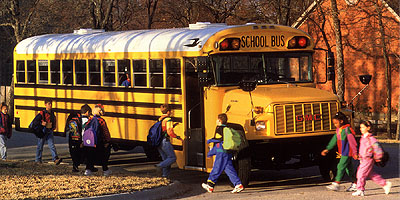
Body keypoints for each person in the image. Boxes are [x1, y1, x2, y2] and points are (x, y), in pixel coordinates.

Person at [201, 113, 244, 193]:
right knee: (229, 169)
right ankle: (238, 185)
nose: (216, 121)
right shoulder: (228, 128)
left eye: (217, 119)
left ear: (220, 120)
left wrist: (210, 141)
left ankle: (210, 185)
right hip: (227, 151)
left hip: (221, 151)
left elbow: (218, 141)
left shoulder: (219, 128)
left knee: (217, 167)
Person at [352, 121, 392, 196]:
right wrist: (360, 156)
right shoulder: (363, 138)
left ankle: (360, 189)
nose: (361, 129)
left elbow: (377, 148)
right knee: (371, 174)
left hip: (368, 159)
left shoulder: (371, 139)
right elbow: (362, 149)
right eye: (360, 127)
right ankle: (385, 184)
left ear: (368, 128)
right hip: (363, 159)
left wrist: (378, 157)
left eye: (363, 127)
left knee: (360, 174)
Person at [321, 112, 357, 191]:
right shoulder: (339, 130)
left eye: (336, 123)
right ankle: (355, 183)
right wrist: (328, 149)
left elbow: (352, 141)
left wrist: (354, 152)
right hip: (343, 151)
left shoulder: (347, 130)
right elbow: (334, 140)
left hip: (348, 152)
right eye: (334, 123)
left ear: (341, 121)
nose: (335, 125)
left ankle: (336, 183)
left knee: (340, 166)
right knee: (349, 169)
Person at [155, 104, 182, 178]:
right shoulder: (168, 119)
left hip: (158, 141)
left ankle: (165, 176)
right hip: (164, 141)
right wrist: (177, 137)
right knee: (172, 158)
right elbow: (169, 132)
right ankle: (159, 166)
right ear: (168, 112)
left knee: (166, 159)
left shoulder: (160, 119)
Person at [84, 104, 111, 176]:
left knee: (90, 155)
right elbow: (105, 132)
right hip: (99, 141)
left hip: (90, 141)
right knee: (104, 155)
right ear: (100, 112)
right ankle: (105, 170)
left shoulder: (90, 119)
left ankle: (88, 170)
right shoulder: (101, 120)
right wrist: (107, 140)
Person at [35, 98, 62, 164]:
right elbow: (36, 121)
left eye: (51, 104)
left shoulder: (52, 113)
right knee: (40, 146)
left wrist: (53, 127)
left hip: (49, 131)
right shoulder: (42, 113)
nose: (50, 105)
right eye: (49, 104)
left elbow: (53, 120)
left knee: (52, 145)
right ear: (45, 105)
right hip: (43, 131)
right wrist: (42, 123)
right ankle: (38, 159)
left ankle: (55, 158)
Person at [66, 104, 91, 172]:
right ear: (87, 112)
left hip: (73, 140)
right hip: (81, 141)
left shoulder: (74, 119)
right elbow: (84, 132)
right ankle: (88, 168)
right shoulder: (86, 120)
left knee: (74, 154)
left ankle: (75, 166)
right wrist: (83, 141)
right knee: (87, 154)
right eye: (90, 113)